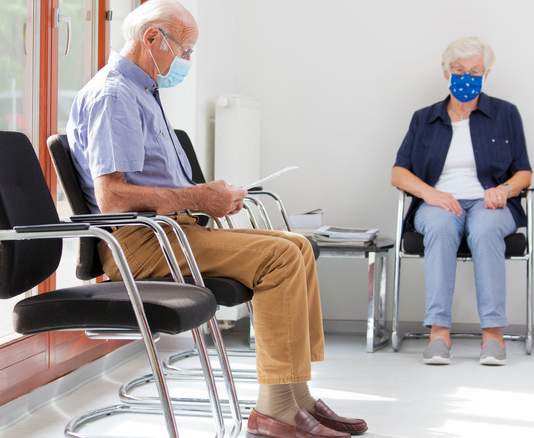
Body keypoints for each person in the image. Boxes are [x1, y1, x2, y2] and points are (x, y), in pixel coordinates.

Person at [66, 1, 367, 436]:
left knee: (297, 246)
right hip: (139, 244)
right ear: (151, 38)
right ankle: (274, 409)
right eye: (184, 50)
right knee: (280, 257)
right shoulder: (115, 95)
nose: (187, 61)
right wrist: (199, 196)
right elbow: (112, 199)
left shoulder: (143, 92)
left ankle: (296, 397)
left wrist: (208, 198)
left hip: (171, 233)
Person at [391, 36, 532, 366]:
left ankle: (493, 336)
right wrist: (431, 194)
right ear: (445, 71)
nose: (467, 78)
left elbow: (524, 172)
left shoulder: (505, 114)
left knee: (483, 230)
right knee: (439, 229)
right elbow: (399, 172)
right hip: (439, 202)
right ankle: (439, 333)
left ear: (486, 74)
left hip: (491, 203)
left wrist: (505, 190)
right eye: (459, 70)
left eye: (475, 71)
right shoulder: (423, 119)